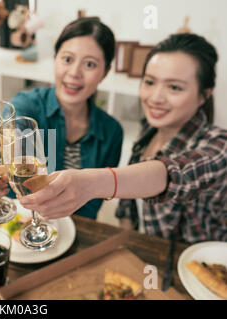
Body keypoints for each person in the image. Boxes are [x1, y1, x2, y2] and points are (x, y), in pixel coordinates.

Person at [19, 33, 226, 244]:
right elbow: (128, 211)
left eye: (174, 87)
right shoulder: (148, 134)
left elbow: (175, 174)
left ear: (204, 95)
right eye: (150, 82)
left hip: (199, 269)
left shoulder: (219, 146)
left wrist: (90, 184)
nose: (156, 98)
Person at [0, 17, 123, 220]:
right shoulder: (25, 106)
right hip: (21, 220)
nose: (74, 73)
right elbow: (5, 143)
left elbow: (93, 204)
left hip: (75, 228)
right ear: (55, 59)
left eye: (89, 64)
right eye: (67, 59)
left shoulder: (112, 131)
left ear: (105, 72)